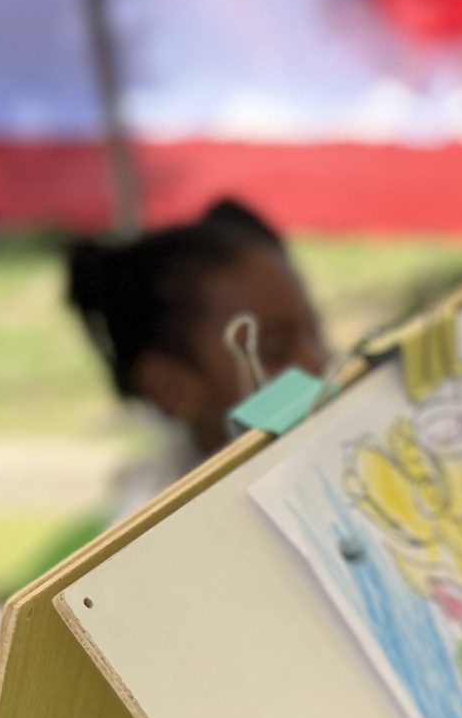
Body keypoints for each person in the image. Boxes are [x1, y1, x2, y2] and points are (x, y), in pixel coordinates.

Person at [64, 198, 331, 498]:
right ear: (171, 388)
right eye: (274, 349)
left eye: (315, 332)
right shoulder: (164, 521)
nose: (318, 362)